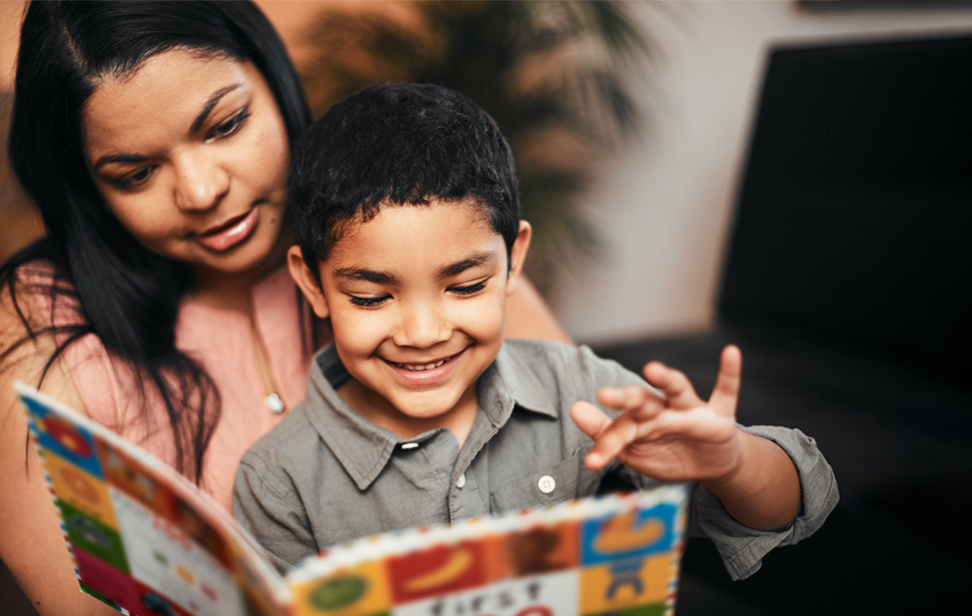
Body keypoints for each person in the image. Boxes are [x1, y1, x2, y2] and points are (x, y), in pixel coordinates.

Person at [0, 2, 569, 616]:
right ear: (90, 189)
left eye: (225, 125)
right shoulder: (42, 332)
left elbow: (578, 458)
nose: (200, 191)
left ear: (273, 79)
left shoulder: (393, 227)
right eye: (136, 174)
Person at [232, 83, 839, 575]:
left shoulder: (578, 388)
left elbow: (791, 509)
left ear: (513, 261)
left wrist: (731, 462)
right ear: (313, 285)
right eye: (370, 296)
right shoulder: (278, 482)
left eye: (465, 286)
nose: (421, 332)